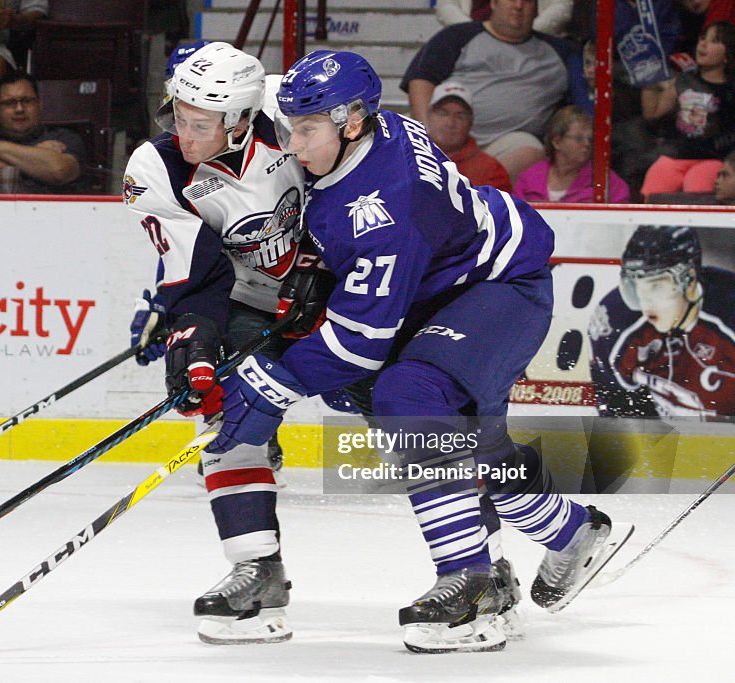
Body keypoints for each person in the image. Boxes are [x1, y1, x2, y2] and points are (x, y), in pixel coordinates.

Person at [212, 49, 630, 653]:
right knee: (466, 445)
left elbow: (357, 346)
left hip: (499, 287)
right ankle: (571, 531)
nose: (292, 144)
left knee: (405, 400)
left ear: (351, 122)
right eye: (291, 127)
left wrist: (267, 385)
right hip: (441, 290)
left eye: (304, 131)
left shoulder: (386, 211)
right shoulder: (367, 126)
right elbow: (278, 97)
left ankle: (472, 582)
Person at [122, 42, 317, 645]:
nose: (182, 132)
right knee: (225, 412)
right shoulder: (155, 167)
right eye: (177, 116)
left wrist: (325, 270)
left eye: (199, 124)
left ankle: (482, 565)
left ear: (240, 118)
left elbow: (367, 182)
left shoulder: (296, 112)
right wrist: (193, 337)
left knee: (409, 414)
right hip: (247, 299)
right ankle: (257, 569)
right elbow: (198, 274)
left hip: (345, 289)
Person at [401, 0, 574, 180]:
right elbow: (421, 79)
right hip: (446, 135)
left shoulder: (561, 52)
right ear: (493, 3)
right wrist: (426, 131)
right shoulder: (457, 35)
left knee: (530, 153)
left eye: (527, 1)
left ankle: (469, 194)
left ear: (536, 7)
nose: (518, 6)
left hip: (504, 145)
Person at [589, 225, 735, 417]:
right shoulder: (617, 323)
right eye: (636, 285)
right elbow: (617, 409)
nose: (645, 300)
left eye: (656, 286)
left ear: (689, 280)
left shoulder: (728, 310)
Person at [640, 21, 735, 199]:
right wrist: (648, 80)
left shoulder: (731, 90)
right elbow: (652, 113)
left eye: (714, 41)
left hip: (712, 160)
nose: (703, 44)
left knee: (697, 189)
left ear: (727, 55)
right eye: (702, 38)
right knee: (654, 187)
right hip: (675, 156)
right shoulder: (683, 80)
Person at [0, 70, 84, 194]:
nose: (19, 109)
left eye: (26, 101)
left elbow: (59, 171)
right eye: (9, 103)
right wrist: (35, 161)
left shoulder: (63, 137)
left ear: (40, 104)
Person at [513, 105, 630, 202]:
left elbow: (622, 217)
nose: (586, 144)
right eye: (579, 138)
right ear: (557, 141)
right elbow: (514, 216)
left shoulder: (604, 180)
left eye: (590, 139)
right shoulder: (529, 178)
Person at [425, 81, 511, 192]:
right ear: (428, 116)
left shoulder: (491, 170)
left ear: (470, 122)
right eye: (443, 113)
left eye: (460, 116)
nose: (450, 123)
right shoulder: (404, 158)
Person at [434, 0, 575, 37]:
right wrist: (475, 34)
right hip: (471, 40)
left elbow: (561, 7)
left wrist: (526, 34)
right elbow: (445, 6)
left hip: (535, 43)